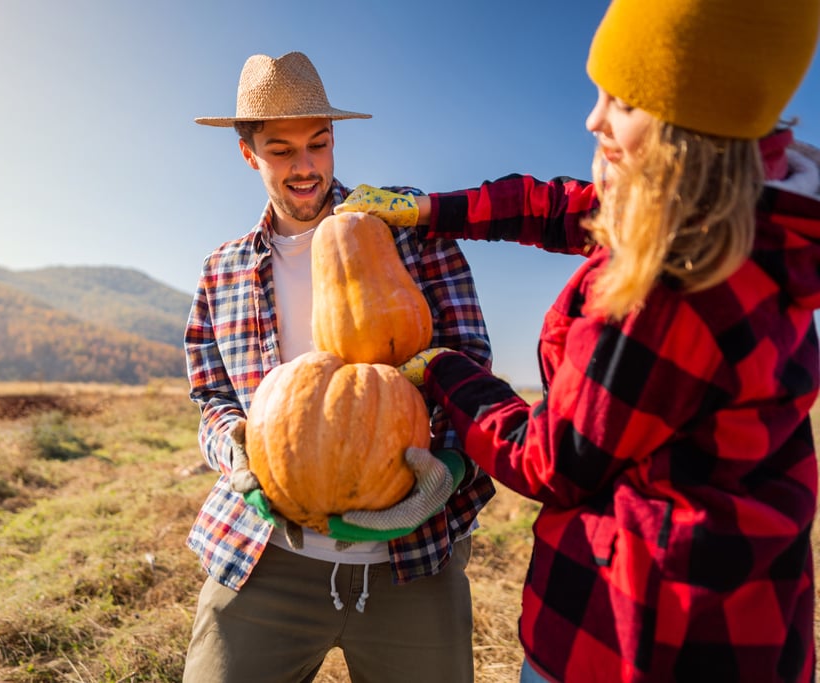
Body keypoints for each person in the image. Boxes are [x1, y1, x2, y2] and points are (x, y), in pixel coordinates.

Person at [336, 0, 820, 680]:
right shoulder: (749, 204)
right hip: (751, 621)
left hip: (636, 633)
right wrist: (429, 208)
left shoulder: (674, 283)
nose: (593, 119)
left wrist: (447, 369)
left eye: (621, 102)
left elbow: (552, 457)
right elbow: (564, 206)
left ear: (685, 125)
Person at [182, 51, 496, 683]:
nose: (305, 167)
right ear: (250, 154)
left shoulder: (406, 229)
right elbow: (212, 396)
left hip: (413, 557)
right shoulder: (225, 268)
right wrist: (234, 453)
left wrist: (451, 470)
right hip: (265, 555)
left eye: (318, 145)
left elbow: (471, 365)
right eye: (281, 150)